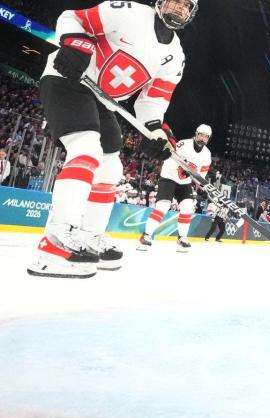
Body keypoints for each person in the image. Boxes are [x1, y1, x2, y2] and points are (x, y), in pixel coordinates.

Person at [29, 0, 196, 278]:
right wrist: (75, 44)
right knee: (86, 149)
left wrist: (156, 132)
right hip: (67, 79)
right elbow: (73, 17)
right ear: (160, 2)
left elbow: (152, 102)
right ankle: (54, 240)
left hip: (103, 100)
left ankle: (89, 236)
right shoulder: (128, 12)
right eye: (175, 1)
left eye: (186, 6)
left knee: (111, 167)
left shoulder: (175, 57)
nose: (179, 8)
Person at [137, 124, 212, 253]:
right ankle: (146, 236)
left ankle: (182, 239)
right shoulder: (183, 144)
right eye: (201, 135)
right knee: (163, 206)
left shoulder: (207, 155)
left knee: (187, 207)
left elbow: (201, 177)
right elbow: (169, 159)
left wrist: (200, 185)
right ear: (196, 134)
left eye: (206, 137)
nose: (203, 138)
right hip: (169, 177)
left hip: (184, 183)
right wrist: (183, 169)